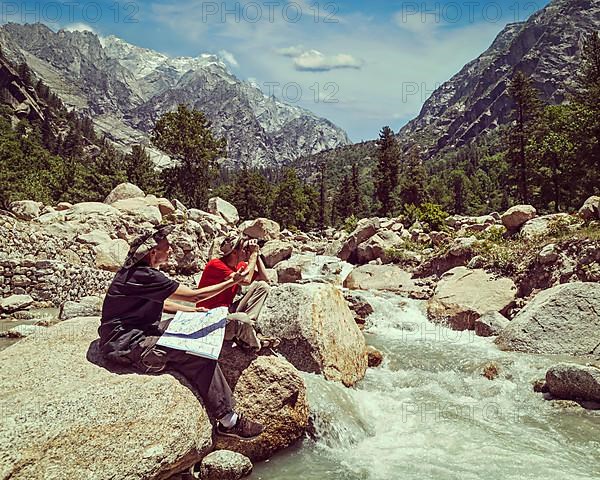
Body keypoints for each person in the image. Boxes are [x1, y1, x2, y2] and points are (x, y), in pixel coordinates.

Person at [98, 224, 263, 440]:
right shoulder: (144, 275)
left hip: (140, 332)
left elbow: (165, 304)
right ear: (152, 252)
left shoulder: (136, 273)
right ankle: (228, 421)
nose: (171, 250)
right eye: (167, 246)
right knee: (199, 353)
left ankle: (241, 337)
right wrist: (231, 282)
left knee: (204, 324)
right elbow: (194, 295)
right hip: (128, 345)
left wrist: (193, 312)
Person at [196, 234, 276, 351]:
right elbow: (246, 281)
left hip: (226, 311)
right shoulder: (216, 265)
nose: (246, 251)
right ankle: (256, 343)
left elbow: (265, 279)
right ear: (234, 252)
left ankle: (248, 328)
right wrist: (252, 256)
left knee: (262, 287)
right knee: (241, 318)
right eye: (244, 249)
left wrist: (257, 255)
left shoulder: (239, 265)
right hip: (209, 318)